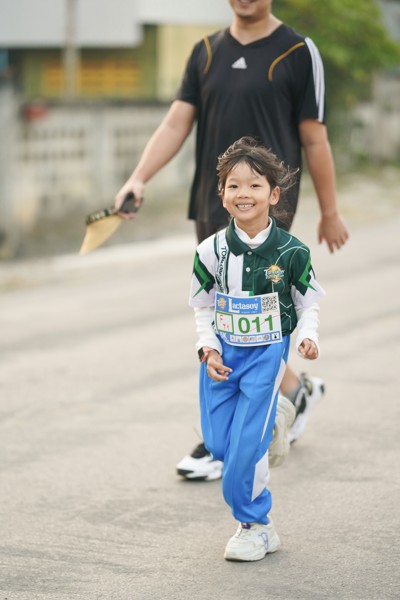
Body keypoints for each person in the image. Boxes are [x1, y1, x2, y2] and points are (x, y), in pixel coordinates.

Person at [115, 0, 349, 480]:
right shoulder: (205, 51)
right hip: (213, 204)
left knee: (247, 318)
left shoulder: (298, 51)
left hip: (267, 213)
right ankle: (292, 394)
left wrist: (330, 211)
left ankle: (223, 438)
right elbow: (176, 122)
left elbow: (314, 138)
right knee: (227, 317)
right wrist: (138, 177)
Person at [190, 136, 325, 561]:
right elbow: (203, 307)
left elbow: (308, 303)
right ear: (222, 194)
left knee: (242, 457)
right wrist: (208, 348)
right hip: (221, 359)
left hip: (267, 357)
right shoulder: (209, 251)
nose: (243, 193)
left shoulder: (292, 252)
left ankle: (256, 527)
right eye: (233, 185)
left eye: (254, 185)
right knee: (220, 447)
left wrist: (307, 336)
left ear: (274, 194)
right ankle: (276, 420)